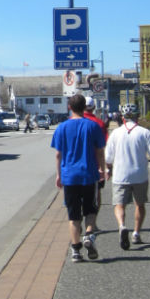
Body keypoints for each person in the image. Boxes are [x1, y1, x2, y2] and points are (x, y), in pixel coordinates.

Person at [50, 94, 107, 263]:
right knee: (90, 209)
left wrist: (59, 175)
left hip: (69, 176)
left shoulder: (62, 128)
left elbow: (58, 154)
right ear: (85, 107)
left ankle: (76, 251)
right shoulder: (93, 126)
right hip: (89, 174)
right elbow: (100, 151)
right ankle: (89, 233)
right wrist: (102, 169)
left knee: (73, 215)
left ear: (69, 107)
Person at [105, 103, 150, 250]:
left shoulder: (116, 133)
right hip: (140, 175)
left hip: (120, 175)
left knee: (119, 205)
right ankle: (136, 233)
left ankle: (122, 226)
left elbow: (108, 157)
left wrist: (109, 169)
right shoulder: (144, 132)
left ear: (122, 118)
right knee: (140, 204)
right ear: (138, 116)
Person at [83, 96, 109, 231]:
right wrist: (104, 168)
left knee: (77, 197)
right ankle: (92, 224)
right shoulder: (99, 124)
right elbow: (104, 147)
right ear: (93, 108)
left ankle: (77, 222)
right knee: (96, 197)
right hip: (95, 167)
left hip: (74, 168)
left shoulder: (70, 122)